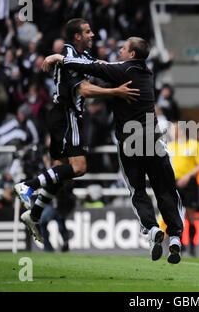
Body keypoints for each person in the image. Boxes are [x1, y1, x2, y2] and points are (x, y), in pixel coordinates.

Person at [43, 36, 185, 264]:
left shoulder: (123, 70)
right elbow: (104, 64)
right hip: (152, 139)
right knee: (166, 189)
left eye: (123, 47)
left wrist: (61, 57)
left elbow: (93, 66)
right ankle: (176, 237)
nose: (119, 49)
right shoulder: (145, 72)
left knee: (137, 189)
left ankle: (151, 228)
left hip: (129, 141)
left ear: (131, 54)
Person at [14, 18, 139, 244]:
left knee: (60, 173)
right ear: (77, 37)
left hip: (61, 116)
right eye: (88, 32)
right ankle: (28, 186)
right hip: (67, 116)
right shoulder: (69, 57)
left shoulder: (78, 56)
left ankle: (33, 215)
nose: (93, 35)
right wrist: (116, 91)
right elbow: (85, 89)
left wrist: (123, 67)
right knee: (79, 168)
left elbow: (99, 65)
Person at [167, 122, 199, 256]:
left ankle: (192, 247)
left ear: (181, 131)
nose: (171, 132)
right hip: (174, 182)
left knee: (190, 215)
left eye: (173, 130)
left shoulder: (194, 145)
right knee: (176, 214)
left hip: (189, 183)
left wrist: (188, 176)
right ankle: (180, 245)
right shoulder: (170, 146)